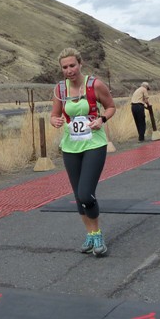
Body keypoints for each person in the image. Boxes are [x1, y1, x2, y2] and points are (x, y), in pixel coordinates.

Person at [50, 47, 116, 256]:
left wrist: (101, 119)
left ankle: (97, 235)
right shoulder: (60, 90)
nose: (69, 70)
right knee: (78, 196)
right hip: (70, 146)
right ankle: (89, 234)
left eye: (72, 65)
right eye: (65, 67)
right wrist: (56, 120)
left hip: (94, 143)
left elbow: (111, 106)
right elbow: (54, 115)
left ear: (80, 64)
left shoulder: (94, 84)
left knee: (85, 193)